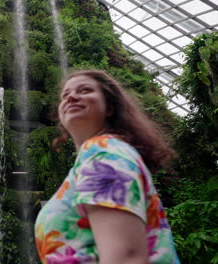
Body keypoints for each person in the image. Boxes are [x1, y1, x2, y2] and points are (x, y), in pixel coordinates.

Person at [35, 70, 180, 264]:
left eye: (85, 90)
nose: (71, 96)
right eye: (65, 95)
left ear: (110, 107)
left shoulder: (103, 150)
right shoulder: (97, 155)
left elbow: (126, 257)